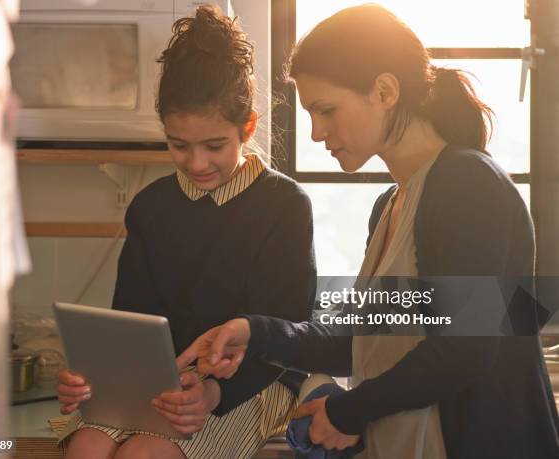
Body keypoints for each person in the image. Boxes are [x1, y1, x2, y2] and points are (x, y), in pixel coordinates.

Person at [178, 4, 559, 458]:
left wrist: (348, 412)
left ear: (385, 90)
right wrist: (254, 333)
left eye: (327, 110)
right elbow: (356, 341)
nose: (317, 133)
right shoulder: (389, 206)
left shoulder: (466, 183)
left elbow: (465, 349)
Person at [55, 6, 316, 459]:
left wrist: (212, 392)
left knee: (144, 453)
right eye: (178, 145)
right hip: (161, 381)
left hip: (255, 382)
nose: (196, 164)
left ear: (247, 127)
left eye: (214, 146)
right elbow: (130, 324)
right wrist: (93, 379)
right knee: (87, 446)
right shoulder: (151, 207)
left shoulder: (285, 205)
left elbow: (286, 338)